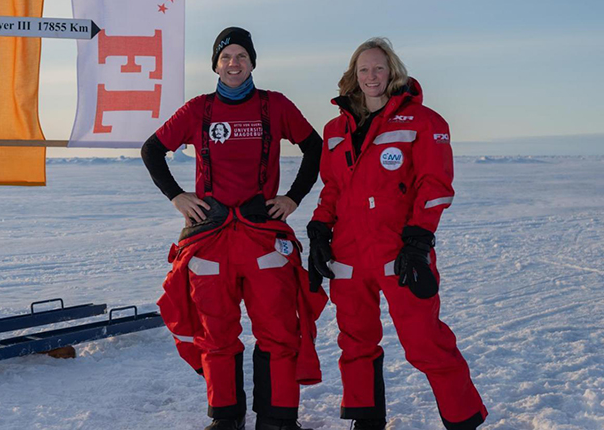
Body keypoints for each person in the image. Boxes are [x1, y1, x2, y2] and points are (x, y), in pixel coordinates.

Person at [142, 27, 326, 430]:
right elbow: (152, 149)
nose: (233, 63)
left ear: (252, 62)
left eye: (241, 56)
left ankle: (277, 418)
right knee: (216, 332)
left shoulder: (274, 106)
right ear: (215, 64)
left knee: (278, 331)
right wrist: (177, 197)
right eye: (226, 57)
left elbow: (314, 146)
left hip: (263, 235)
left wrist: (292, 198)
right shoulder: (198, 110)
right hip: (211, 240)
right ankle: (226, 416)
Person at [306, 38, 487, 430]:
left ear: (393, 72)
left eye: (379, 68)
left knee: (425, 340)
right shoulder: (335, 129)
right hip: (349, 251)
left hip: (399, 248)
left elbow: (434, 186)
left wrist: (419, 241)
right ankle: (366, 420)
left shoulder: (424, 121)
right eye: (364, 69)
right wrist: (320, 228)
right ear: (353, 76)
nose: (372, 76)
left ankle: (464, 420)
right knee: (355, 341)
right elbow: (332, 188)